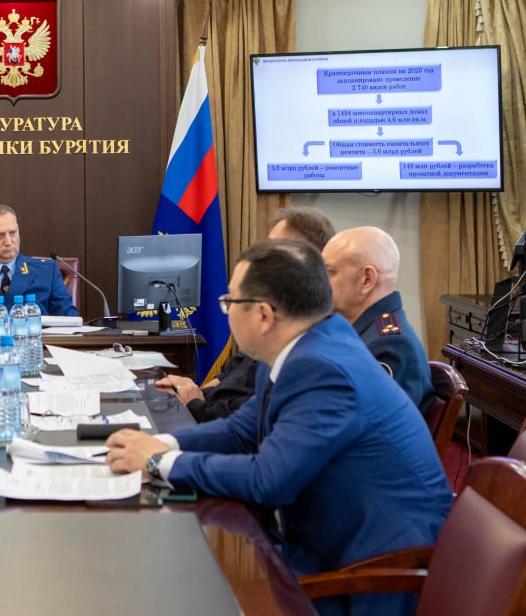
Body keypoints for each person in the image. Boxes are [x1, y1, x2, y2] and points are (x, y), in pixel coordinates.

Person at [106, 240, 451, 616]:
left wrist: (159, 462)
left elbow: (267, 480)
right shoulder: (305, 345)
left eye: (230, 303)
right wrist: (161, 442)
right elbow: (241, 430)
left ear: (264, 315)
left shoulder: (324, 369)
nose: (226, 312)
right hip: (327, 545)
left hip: (371, 577)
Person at [157, 207, 336, 421]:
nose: (263, 254)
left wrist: (193, 404)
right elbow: (243, 424)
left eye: (272, 247)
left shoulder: (311, 360)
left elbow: (255, 437)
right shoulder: (275, 339)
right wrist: (187, 395)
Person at [322, 226, 434, 413]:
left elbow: (369, 425)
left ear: (367, 279)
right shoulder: (358, 329)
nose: (320, 280)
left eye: (330, 271)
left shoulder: (391, 344)